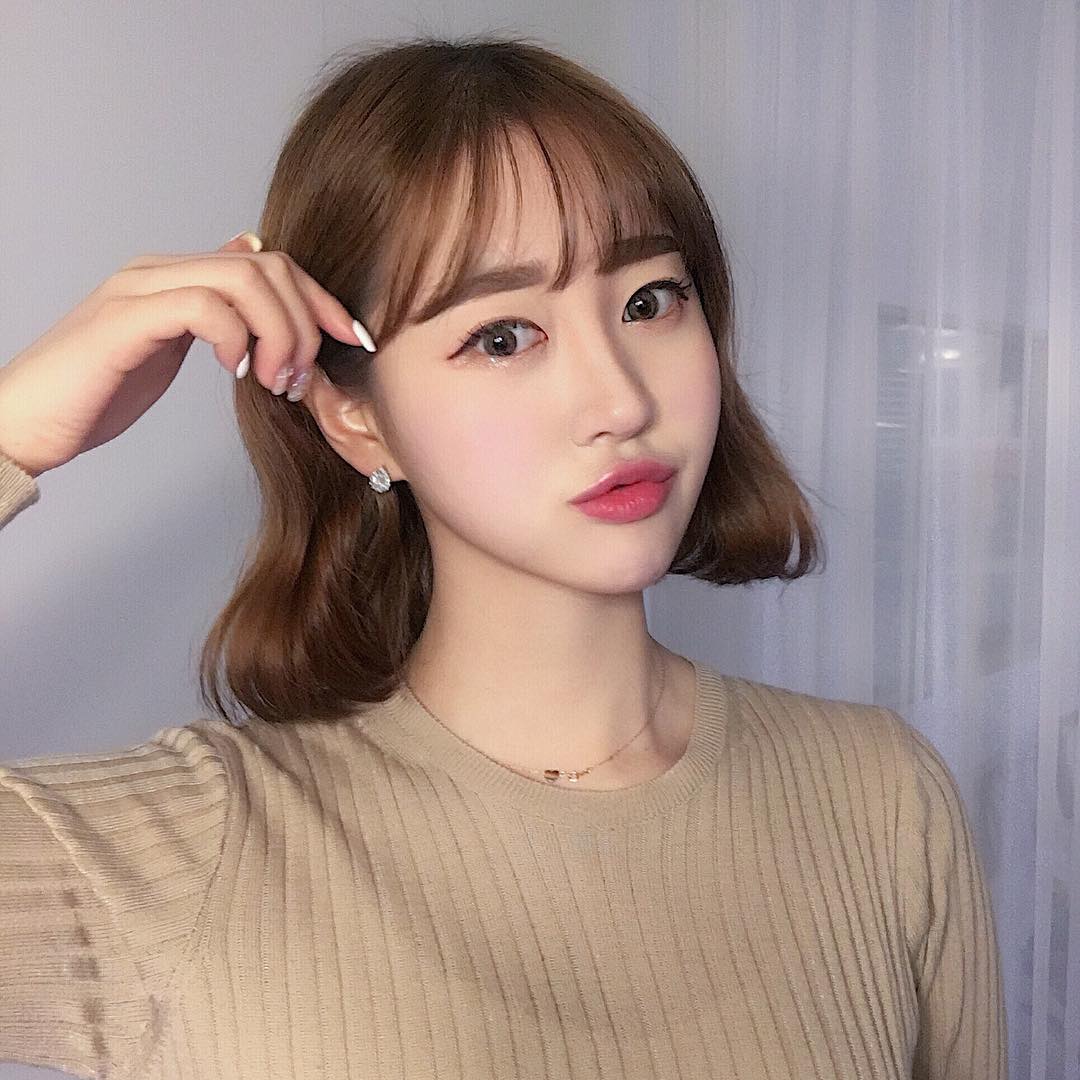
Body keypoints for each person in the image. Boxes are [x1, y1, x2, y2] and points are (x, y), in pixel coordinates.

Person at [0, 33, 1005, 1080]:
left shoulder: (881, 798)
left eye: (650, 301)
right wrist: (15, 426)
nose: (621, 400)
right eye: (502, 336)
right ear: (355, 419)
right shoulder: (196, 849)